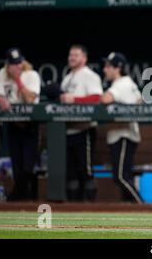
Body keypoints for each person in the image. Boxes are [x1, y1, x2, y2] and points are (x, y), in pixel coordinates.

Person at [0, 48, 41, 201]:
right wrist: (0, 98)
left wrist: (18, 79)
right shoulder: (2, 73)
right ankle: (20, 201)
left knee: (28, 168)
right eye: (14, 64)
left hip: (30, 126)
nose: (18, 66)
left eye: (20, 62)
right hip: (13, 125)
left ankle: (23, 199)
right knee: (17, 168)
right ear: (8, 65)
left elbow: (30, 100)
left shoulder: (31, 75)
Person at [60, 44, 103, 201]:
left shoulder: (89, 75)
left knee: (85, 172)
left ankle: (90, 209)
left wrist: (75, 99)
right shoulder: (67, 78)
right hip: (67, 130)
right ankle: (73, 210)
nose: (72, 57)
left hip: (83, 129)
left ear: (84, 58)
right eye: (70, 55)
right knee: (70, 174)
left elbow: (97, 98)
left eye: (76, 55)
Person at [100, 52, 143, 203]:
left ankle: (142, 206)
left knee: (120, 176)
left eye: (108, 66)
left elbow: (105, 99)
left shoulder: (123, 83)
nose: (105, 69)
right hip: (124, 133)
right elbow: (140, 100)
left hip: (123, 134)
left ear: (117, 68)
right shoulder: (129, 83)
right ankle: (135, 207)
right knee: (125, 176)